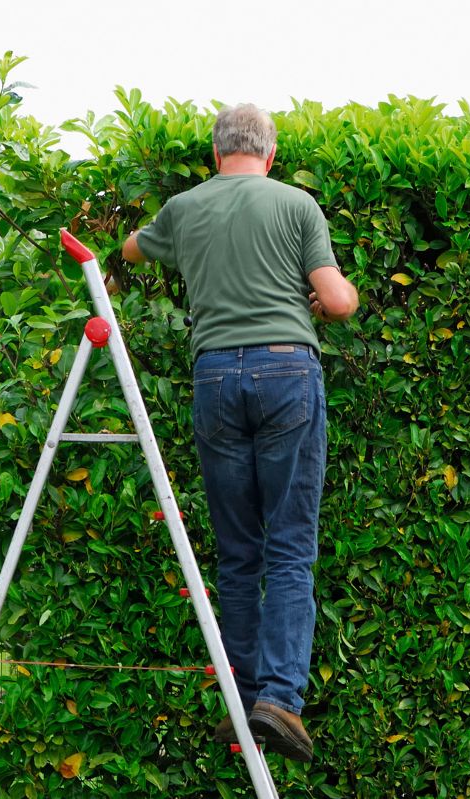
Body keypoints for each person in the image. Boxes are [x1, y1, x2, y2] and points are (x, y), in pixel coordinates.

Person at [122, 103, 358, 762]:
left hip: (216, 375)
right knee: (288, 545)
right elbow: (336, 301)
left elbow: (133, 249)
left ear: (216, 152)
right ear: (271, 154)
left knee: (238, 551)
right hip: (287, 370)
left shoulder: (185, 207)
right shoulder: (295, 206)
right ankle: (278, 700)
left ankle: (239, 701)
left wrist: (131, 239)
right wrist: (341, 296)